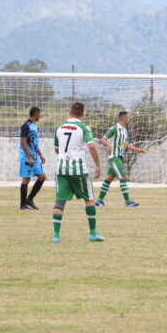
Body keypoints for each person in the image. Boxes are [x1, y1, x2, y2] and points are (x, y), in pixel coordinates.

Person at [52, 102, 103, 243]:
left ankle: (56, 236)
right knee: (89, 199)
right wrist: (98, 165)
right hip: (78, 169)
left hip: (61, 168)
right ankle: (93, 233)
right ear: (82, 113)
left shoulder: (60, 128)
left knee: (60, 201)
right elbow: (91, 146)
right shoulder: (83, 128)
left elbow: (57, 149)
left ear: (70, 112)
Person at [95, 111, 147, 208]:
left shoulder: (124, 130)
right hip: (114, 158)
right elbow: (103, 139)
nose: (129, 119)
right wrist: (108, 146)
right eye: (128, 117)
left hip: (119, 158)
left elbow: (124, 144)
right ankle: (128, 202)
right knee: (123, 178)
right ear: (123, 118)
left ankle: (99, 201)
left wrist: (138, 150)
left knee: (108, 179)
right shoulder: (114, 128)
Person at [19, 106, 46, 210]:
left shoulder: (35, 126)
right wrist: (29, 157)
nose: (40, 116)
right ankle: (22, 205)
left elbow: (34, 143)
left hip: (34, 157)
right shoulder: (26, 126)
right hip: (27, 157)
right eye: (39, 114)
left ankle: (29, 199)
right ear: (35, 114)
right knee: (26, 179)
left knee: (42, 177)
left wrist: (41, 155)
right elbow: (23, 142)